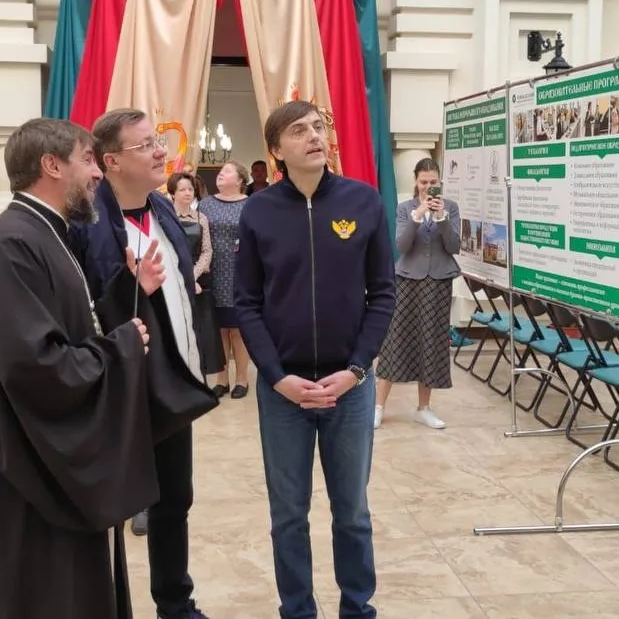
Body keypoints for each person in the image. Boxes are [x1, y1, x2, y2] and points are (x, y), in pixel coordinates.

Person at [0, 118, 166, 619]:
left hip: (42, 457)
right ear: (51, 165)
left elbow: (69, 326)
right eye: (87, 159)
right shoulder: (12, 246)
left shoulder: (45, 234)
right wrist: (123, 348)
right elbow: (37, 365)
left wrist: (125, 301)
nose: (98, 173)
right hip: (25, 466)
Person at [234, 100, 396, 619]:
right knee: (288, 516)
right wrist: (276, 377)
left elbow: (383, 294)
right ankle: (298, 610)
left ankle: (357, 609)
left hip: (350, 387)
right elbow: (246, 303)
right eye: (299, 130)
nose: (314, 136)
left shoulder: (363, 202)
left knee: (352, 513)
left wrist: (356, 369)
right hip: (284, 392)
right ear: (277, 150)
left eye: (319, 127)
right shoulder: (258, 211)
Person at [74, 108, 218, 619]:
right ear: (111, 161)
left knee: (174, 500)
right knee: (105, 507)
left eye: (158, 141)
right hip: (116, 388)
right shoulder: (87, 225)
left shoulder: (162, 209)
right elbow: (79, 311)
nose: (161, 152)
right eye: (146, 145)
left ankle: (175, 605)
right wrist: (127, 288)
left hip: (169, 382)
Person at [374, 158, 461, 430]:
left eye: (433, 182)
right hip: (407, 280)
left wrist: (441, 218)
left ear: (440, 182)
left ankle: (424, 408)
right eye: (423, 182)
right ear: (415, 181)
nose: (428, 187)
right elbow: (401, 245)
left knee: (431, 342)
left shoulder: (451, 208)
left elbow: (454, 246)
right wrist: (418, 214)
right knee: (395, 339)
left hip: (438, 282)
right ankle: (378, 407)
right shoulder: (405, 208)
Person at [197, 161, 251, 398]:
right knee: (218, 329)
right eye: (220, 172)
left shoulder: (250, 205)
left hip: (240, 273)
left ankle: (242, 379)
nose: (220, 174)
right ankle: (222, 379)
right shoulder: (206, 204)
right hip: (213, 272)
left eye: (226, 172)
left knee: (238, 330)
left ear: (240, 180)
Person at [168, 171, 226, 384]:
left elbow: (207, 251)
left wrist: (192, 276)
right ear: (172, 193)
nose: (187, 193)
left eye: (190, 189)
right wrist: (183, 277)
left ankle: (202, 379)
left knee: (203, 330)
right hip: (173, 277)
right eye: (182, 190)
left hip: (199, 278)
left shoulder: (201, 218)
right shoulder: (166, 217)